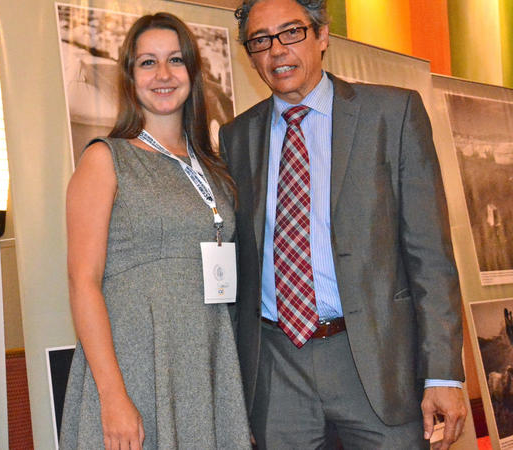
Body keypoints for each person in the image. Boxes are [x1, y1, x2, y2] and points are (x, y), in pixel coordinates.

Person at [219, 0, 466, 448]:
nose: (276, 51)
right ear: (250, 54)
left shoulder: (393, 115)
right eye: (260, 40)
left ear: (322, 35)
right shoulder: (236, 137)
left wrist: (443, 373)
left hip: (375, 361)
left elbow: (431, 256)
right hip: (277, 368)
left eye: (291, 33)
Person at [60, 12, 251, 449]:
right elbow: (82, 282)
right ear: (129, 76)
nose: (163, 74)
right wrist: (113, 396)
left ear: (193, 73)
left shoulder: (216, 169)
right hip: (135, 367)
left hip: (206, 365)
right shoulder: (106, 160)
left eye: (176, 61)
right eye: (148, 62)